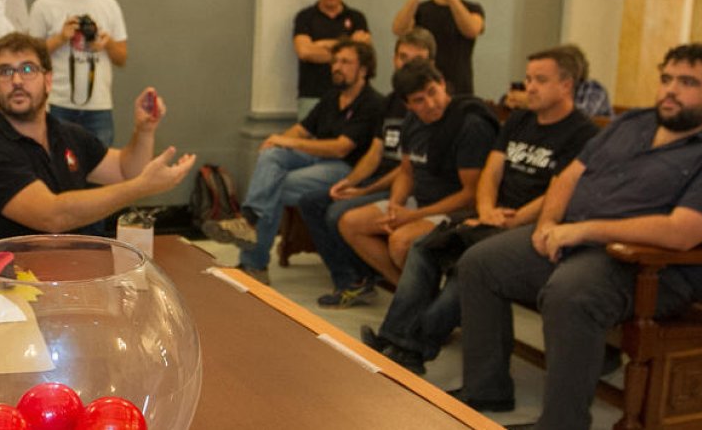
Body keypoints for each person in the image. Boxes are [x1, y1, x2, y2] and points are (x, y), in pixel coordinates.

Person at [455, 43, 702, 430]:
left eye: (687, 82)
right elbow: (570, 176)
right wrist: (548, 223)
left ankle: (562, 424)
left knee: (571, 293)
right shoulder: (634, 123)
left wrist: (582, 229)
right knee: (481, 262)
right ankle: (486, 389)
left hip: (653, 268)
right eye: (666, 78)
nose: (669, 89)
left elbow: (681, 231)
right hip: (576, 241)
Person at [359, 47, 598, 374]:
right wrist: (486, 210)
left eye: (540, 80)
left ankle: (411, 346)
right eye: (528, 79)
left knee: (469, 266)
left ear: (567, 84)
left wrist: (512, 218)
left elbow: (558, 193)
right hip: (493, 216)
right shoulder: (519, 120)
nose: (529, 87)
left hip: (532, 224)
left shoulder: (583, 133)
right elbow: (492, 171)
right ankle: (395, 338)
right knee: (423, 247)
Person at [0, 32, 194, 241]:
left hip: (66, 275)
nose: (17, 80)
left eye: (27, 69)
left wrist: (144, 130)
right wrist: (140, 188)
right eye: (5, 71)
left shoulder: (67, 134)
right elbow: (53, 216)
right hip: (1, 284)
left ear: (48, 80)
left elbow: (125, 170)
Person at [205, 40, 386, 284]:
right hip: (316, 159)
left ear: (363, 69)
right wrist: (275, 142)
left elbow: (341, 147)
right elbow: (301, 130)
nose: (337, 67)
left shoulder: (372, 102)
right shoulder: (332, 97)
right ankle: (249, 220)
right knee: (271, 157)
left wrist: (288, 142)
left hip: (345, 168)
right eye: (335, 61)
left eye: (345, 62)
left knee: (274, 185)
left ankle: (254, 263)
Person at [297, 27, 436, 307]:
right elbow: (375, 153)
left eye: (415, 59)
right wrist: (351, 182)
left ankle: (398, 289)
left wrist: (362, 192)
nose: (407, 64)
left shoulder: (428, 105)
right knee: (312, 201)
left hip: (405, 189)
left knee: (338, 212)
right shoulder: (391, 102)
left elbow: (408, 169)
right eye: (402, 57)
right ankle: (352, 279)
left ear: (431, 63)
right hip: (377, 180)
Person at [338, 59, 498, 287]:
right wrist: (395, 206)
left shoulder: (470, 124)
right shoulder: (412, 122)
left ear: (442, 84)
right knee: (350, 223)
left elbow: (470, 195)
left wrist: (412, 217)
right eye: (419, 100)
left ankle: (420, 299)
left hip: (454, 209)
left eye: (433, 92)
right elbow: (406, 172)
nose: (431, 104)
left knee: (400, 242)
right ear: (408, 105)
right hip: (419, 202)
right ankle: (408, 292)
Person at [27, 0, 128, 146]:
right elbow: (30, 57)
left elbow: (122, 58)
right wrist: (61, 38)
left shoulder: (109, 5)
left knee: (101, 171)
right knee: (56, 169)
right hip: (57, 102)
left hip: (99, 106)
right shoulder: (45, 3)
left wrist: (107, 43)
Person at [391, 0, 485, 95]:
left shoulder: (472, 9)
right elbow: (398, 29)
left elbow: (471, 30)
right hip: (423, 87)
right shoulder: (422, 9)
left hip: (459, 88)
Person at [293, 0, 371, 119]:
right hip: (313, 95)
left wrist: (321, 45)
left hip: (351, 94)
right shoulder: (305, 17)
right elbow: (304, 52)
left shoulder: (356, 18)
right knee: (308, 141)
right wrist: (346, 48)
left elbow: (364, 53)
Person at [503, 43, 612, 119]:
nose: (532, 85)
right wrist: (511, 99)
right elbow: (506, 100)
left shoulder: (593, 89)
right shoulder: (537, 85)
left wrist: (532, 102)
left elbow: (581, 116)